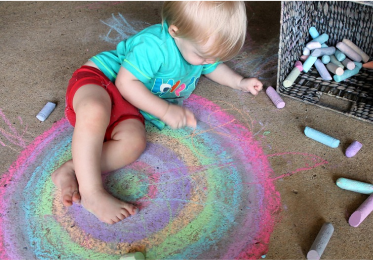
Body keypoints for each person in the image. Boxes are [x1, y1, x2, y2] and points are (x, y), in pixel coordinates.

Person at [51, 0, 263, 224]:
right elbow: (126, 83)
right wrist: (165, 110)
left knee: (133, 144)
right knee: (94, 111)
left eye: (213, 56)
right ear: (174, 31)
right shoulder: (153, 45)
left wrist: (239, 81)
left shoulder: (200, 47)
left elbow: (213, 67)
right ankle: (92, 193)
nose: (208, 61)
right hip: (102, 80)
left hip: (130, 106)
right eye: (203, 55)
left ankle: (73, 169)